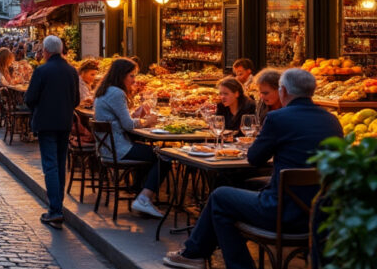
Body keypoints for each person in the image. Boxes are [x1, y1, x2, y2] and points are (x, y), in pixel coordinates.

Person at [164, 69, 343, 269]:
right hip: (319, 213)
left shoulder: (278, 118)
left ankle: (199, 255)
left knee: (219, 197)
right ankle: (194, 253)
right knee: (239, 190)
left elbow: (254, 158)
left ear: (283, 91)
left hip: (281, 213)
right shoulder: (332, 120)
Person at [93, 58, 167, 218]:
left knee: (150, 154)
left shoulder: (105, 90)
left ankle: (140, 194)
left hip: (108, 148)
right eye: (131, 76)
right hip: (119, 149)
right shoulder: (116, 92)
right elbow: (127, 125)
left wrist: (135, 116)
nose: (134, 80)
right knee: (165, 155)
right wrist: (147, 121)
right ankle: (144, 198)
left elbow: (119, 120)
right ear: (121, 75)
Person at [24, 36, 80, 228]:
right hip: (64, 123)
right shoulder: (71, 71)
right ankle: (58, 205)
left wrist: (38, 108)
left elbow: (30, 98)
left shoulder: (42, 70)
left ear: (46, 51)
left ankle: (55, 210)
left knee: (50, 165)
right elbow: (76, 100)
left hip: (46, 123)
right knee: (60, 164)